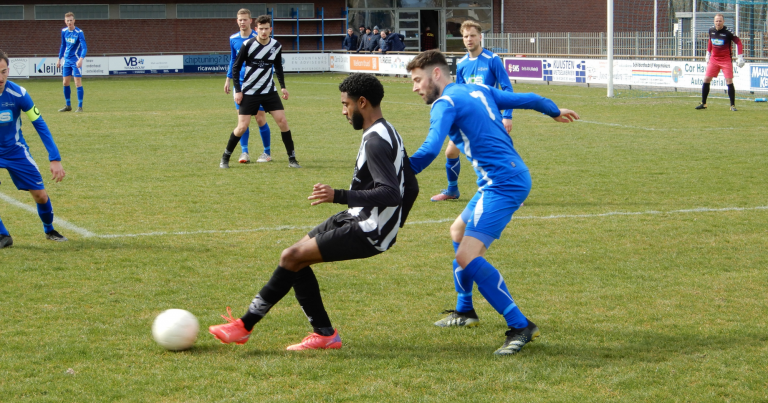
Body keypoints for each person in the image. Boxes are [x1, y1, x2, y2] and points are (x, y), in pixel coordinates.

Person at [209, 73, 419, 350]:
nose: (344, 111)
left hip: (369, 228)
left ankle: (244, 326)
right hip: (361, 218)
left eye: (346, 104)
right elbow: (411, 185)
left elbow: (392, 193)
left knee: (291, 256)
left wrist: (340, 197)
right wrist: (394, 225)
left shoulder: (376, 141)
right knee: (294, 258)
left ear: (363, 102)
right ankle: (324, 334)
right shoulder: (388, 130)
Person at [406, 50, 579, 355]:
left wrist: (396, 171)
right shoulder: (478, 89)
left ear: (436, 74)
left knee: (467, 256)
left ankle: (520, 325)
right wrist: (552, 110)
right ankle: (465, 311)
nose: (415, 87)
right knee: (457, 233)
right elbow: (531, 98)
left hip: (504, 183)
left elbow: (432, 147)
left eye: (418, 79)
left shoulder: (444, 102)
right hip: (500, 179)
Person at [431, 20, 515, 202]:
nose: (469, 39)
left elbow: (507, 89)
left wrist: (507, 116)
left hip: (489, 116)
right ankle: (452, 190)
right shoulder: (461, 64)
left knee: (499, 153)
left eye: (472, 35)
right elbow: (459, 93)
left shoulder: (493, 59)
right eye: (466, 36)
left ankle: (511, 192)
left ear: (480, 37)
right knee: (450, 152)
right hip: (467, 117)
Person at [0, 51, 68, 248]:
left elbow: (39, 123)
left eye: (4, 72)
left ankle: (49, 229)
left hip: (15, 151)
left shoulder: (18, 94)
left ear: (8, 71)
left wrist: (54, 157)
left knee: (40, 195)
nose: (0, 78)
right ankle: (3, 235)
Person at [221, 15, 301, 169]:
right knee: (242, 126)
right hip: (250, 91)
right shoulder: (247, 44)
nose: (264, 32)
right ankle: (225, 157)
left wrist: (283, 86)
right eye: (261, 29)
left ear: (270, 29)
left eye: (266, 29)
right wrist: (238, 90)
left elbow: (278, 66)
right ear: (256, 29)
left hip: (269, 91)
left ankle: (292, 159)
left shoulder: (276, 45)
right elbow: (236, 66)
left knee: (283, 122)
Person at [225, 8, 272, 164]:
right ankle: (244, 152)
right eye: (240, 19)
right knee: (242, 122)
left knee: (260, 118)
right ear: (237, 21)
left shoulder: (258, 37)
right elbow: (233, 60)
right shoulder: (233, 39)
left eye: (245, 19)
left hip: (257, 85)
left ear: (251, 21)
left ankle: (267, 152)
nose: (242, 22)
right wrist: (228, 79)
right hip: (240, 85)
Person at [696, 13, 744, 112]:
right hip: (714, 59)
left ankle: (732, 105)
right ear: (714, 22)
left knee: (729, 81)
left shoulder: (728, 32)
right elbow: (710, 41)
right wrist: (708, 53)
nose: (718, 23)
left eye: (720, 21)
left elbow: (738, 42)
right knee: (706, 79)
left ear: (723, 22)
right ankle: (703, 103)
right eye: (716, 21)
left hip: (726, 60)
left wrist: (740, 56)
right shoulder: (711, 30)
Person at [56, 12, 87, 113]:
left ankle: (80, 106)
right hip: (67, 60)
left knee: (77, 83)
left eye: (71, 20)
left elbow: (84, 47)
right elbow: (63, 46)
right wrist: (59, 59)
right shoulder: (64, 31)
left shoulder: (79, 32)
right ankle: (68, 105)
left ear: (74, 21)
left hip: (76, 60)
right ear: (65, 21)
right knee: (65, 83)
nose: (69, 22)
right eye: (67, 20)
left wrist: (81, 59)